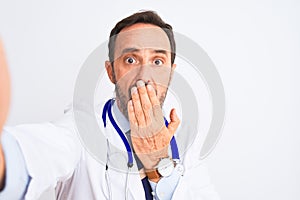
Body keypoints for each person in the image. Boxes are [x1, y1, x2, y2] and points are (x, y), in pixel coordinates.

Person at [0, 11, 220, 199]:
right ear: (111, 72)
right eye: (131, 60)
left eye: (157, 61)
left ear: (171, 72)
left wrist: (159, 165)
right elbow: (35, 154)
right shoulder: (82, 128)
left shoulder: (187, 142)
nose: (144, 76)